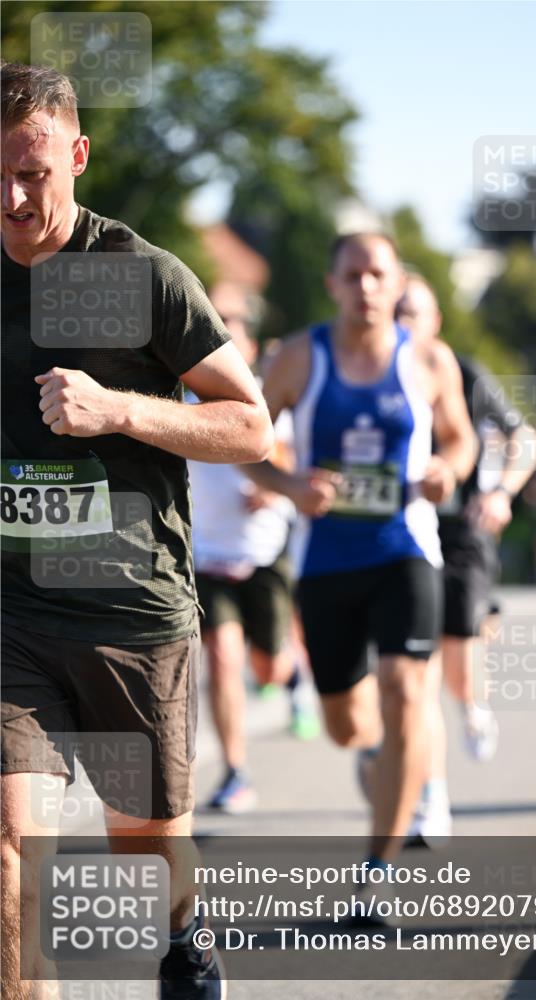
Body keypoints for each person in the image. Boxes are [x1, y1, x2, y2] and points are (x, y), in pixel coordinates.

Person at [1, 62, 272, 999]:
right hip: (13, 618)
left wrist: (118, 408)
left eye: (32, 171)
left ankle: (184, 937)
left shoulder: (141, 276)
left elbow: (250, 427)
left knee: (147, 851)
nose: (12, 196)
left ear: (75, 157)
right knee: (11, 855)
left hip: (128, 613)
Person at [245, 232, 476, 878]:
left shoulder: (429, 360)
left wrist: (446, 473)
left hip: (405, 548)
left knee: (407, 691)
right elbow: (242, 442)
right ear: (333, 284)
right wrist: (290, 486)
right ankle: (379, 753)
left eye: (378, 275)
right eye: (353, 276)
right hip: (324, 562)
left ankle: (379, 864)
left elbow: (459, 441)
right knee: (347, 725)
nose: (366, 288)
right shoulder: (297, 358)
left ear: (398, 282)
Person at [395, 275, 536, 841]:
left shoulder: (466, 373)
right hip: (404, 534)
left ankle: (476, 705)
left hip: (463, 532)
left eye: (415, 312)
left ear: (436, 321)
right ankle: (432, 798)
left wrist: (502, 491)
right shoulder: (374, 372)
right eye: (398, 312)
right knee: (419, 673)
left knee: (457, 668)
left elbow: (525, 438)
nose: (405, 322)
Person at [187, 281, 319, 815]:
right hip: (207, 553)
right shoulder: (181, 393)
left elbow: (297, 461)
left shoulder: (270, 393)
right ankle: (235, 772)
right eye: (214, 318)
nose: (221, 328)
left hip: (264, 552)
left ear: (246, 336)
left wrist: (276, 492)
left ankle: (294, 677)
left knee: (265, 666)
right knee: (221, 658)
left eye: (232, 321)